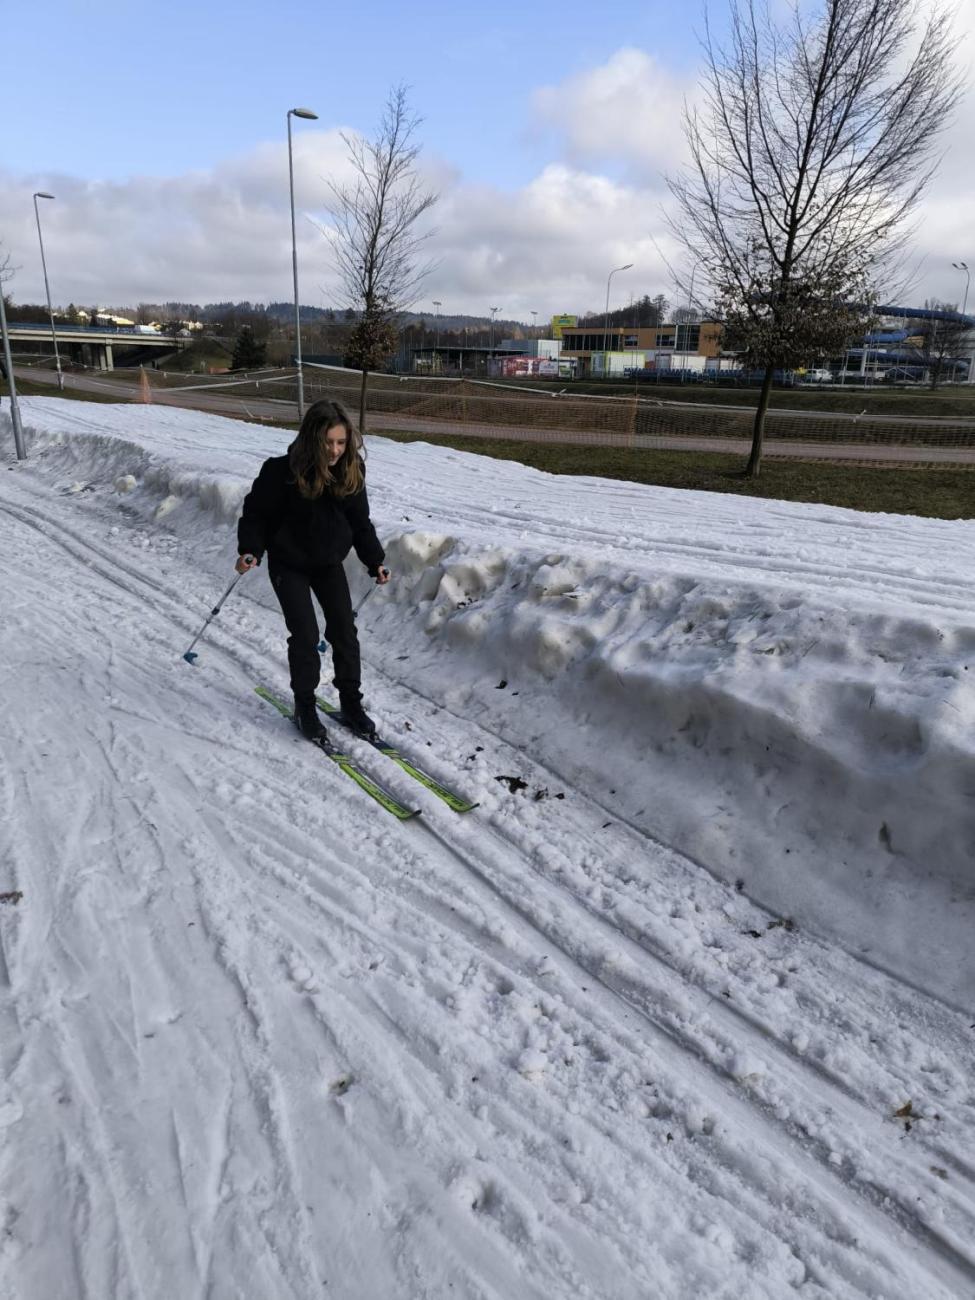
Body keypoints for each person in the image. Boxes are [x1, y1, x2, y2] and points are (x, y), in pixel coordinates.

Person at [236, 398, 389, 741]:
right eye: (327, 442)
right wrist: (250, 549)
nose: (335, 450)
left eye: (341, 442)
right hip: (288, 563)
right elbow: (256, 514)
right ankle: (305, 705)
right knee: (305, 635)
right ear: (311, 439)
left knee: (344, 631)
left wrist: (375, 560)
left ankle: (351, 702)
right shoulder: (281, 472)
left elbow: (360, 522)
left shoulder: (350, 471)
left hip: (328, 563)